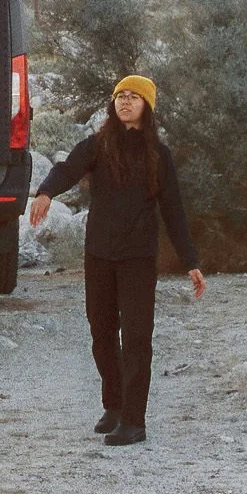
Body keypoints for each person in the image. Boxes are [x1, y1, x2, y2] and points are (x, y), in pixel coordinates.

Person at [28, 75, 205, 447]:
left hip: (138, 257)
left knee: (137, 338)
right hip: (99, 255)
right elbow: (67, 168)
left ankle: (134, 421)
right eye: (120, 96)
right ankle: (114, 404)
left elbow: (173, 210)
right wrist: (45, 191)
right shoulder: (97, 145)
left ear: (147, 106)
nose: (126, 102)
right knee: (101, 332)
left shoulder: (159, 155)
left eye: (134, 97)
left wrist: (190, 260)